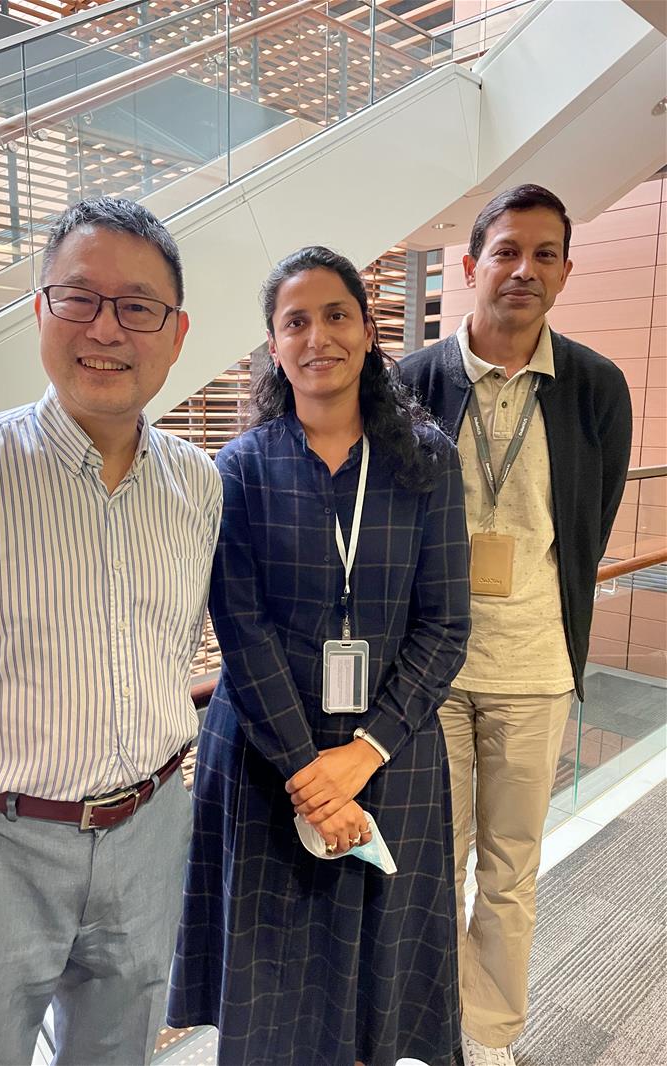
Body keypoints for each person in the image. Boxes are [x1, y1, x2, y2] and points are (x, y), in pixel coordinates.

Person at [0, 196, 222, 1065]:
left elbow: (169, 653)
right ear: (39, 311)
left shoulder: (198, 486)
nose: (106, 328)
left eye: (137, 306)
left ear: (176, 334)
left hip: (147, 833)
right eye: (78, 298)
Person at [167, 246, 471, 1066]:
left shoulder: (426, 458)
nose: (317, 336)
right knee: (270, 985)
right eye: (294, 322)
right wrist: (311, 772)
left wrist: (360, 755)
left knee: (381, 974)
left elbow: (444, 626)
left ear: (368, 330)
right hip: (269, 751)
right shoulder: (239, 470)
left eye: (336, 314)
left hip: (392, 751)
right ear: (274, 346)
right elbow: (241, 630)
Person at [398, 184, 633, 1065]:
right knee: (431, 868)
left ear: (565, 273)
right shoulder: (416, 381)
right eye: (506, 251)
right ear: (470, 267)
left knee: (510, 868)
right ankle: (428, 1029)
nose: (523, 269)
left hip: (536, 668)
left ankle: (490, 1032)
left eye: (544, 254)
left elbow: (590, 520)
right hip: (431, 675)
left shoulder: (594, 387)